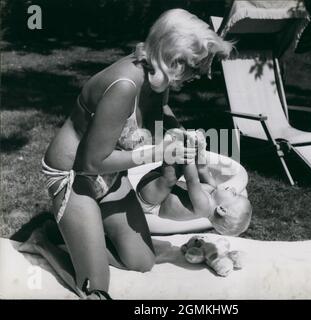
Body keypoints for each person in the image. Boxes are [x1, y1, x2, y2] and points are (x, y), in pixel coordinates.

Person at [24, 9, 233, 299]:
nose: (202, 76)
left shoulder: (158, 79)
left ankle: (80, 236)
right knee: (94, 289)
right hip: (74, 176)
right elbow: (91, 162)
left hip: (108, 174)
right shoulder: (124, 86)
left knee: (142, 262)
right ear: (175, 57)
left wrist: (181, 135)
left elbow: (157, 120)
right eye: (197, 68)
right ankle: (44, 242)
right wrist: (158, 153)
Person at [136, 131, 252, 237]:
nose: (233, 189)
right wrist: (200, 148)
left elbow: (192, 180)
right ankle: (173, 147)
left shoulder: (204, 207)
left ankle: (171, 146)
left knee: (172, 176)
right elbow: (202, 168)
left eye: (234, 195)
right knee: (175, 174)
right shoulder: (212, 189)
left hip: (152, 200)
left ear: (221, 209)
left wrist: (189, 151)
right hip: (159, 185)